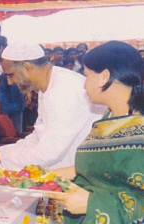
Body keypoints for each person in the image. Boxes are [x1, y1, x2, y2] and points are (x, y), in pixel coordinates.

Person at [47, 41, 144, 224]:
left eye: (86, 76)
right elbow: (106, 168)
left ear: (104, 76)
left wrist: (92, 204)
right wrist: (48, 176)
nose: (84, 85)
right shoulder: (108, 118)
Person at [0, 42, 105, 170]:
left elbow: (50, 152)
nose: (9, 82)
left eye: (11, 75)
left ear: (27, 67)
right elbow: (38, 136)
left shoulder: (63, 89)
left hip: (77, 173)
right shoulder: (49, 84)